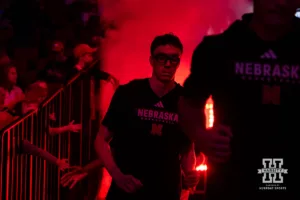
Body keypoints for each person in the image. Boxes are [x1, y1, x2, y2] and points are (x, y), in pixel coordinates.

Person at [179, 0, 299, 199]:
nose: (278, 2)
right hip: (233, 181)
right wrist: (201, 136)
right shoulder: (218, 49)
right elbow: (189, 103)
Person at [94, 33, 199, 200]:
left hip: (166, 190)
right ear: (151, 60)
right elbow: (100, 139)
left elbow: (187, 147)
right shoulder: (128, 93)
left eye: (173, 59)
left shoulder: (185, 100)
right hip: (126, 190)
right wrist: (117, 175)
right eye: (161, 58)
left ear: (178, 62)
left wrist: (190, 172)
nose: (167, 64)